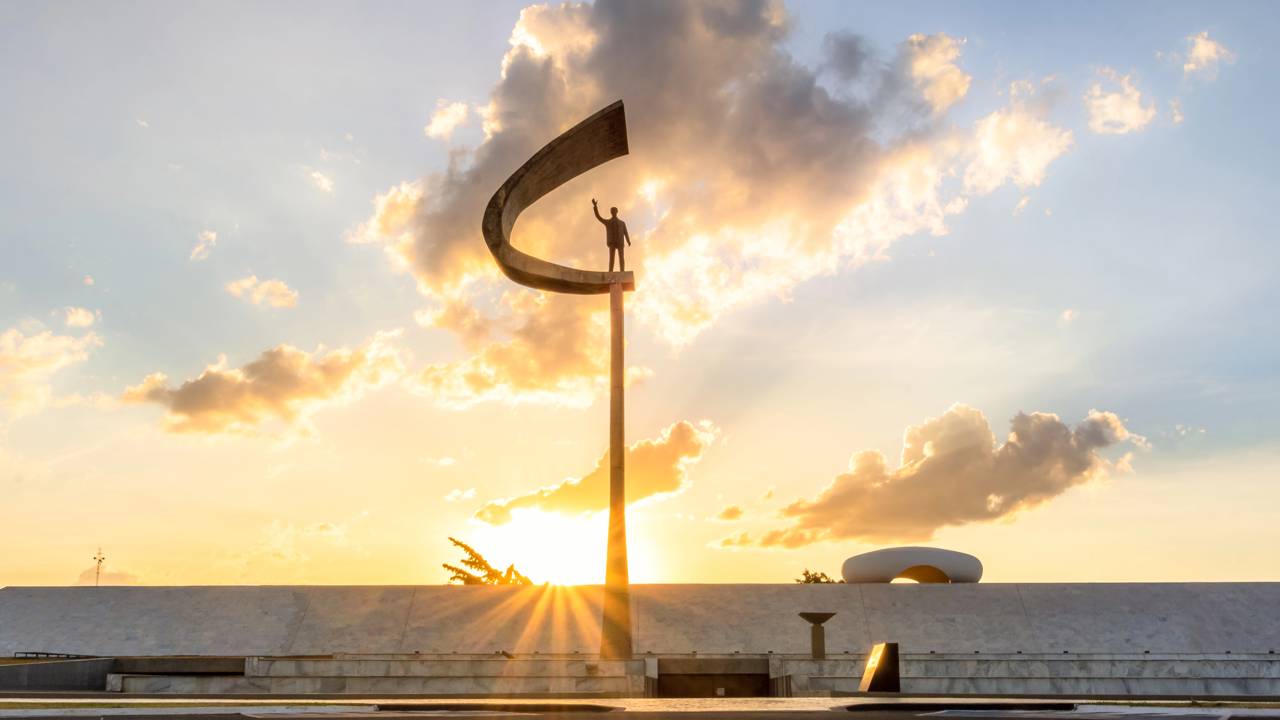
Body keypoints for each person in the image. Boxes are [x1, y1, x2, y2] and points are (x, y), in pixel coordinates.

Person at [592, 198, 630, 272]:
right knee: (611, 258)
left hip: (620, 242)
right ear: (610, 212)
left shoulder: (622, 223)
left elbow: (625, 232)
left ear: (617, 212)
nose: (613, 212)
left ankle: (622, 271)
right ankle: (610, 271)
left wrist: (628, 241)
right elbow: (599, 217)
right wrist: (595, 207)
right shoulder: (608, 222)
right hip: (612, 242)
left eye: (614, 211)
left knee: (621, 257)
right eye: (612, 211)